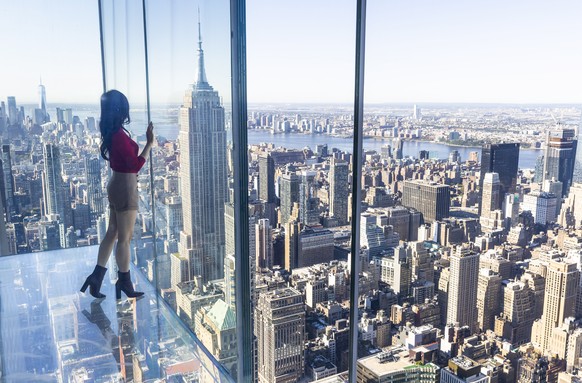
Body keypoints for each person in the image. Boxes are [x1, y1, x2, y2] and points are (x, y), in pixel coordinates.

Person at [80, 89, 154, 300]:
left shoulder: (112, 132)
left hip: (116, 184)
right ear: (119, 110)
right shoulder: (120, 136)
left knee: (112, 232)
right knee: (124, 239)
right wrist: (149, 143)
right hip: (126, 187)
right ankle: (125, 281)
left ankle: (96, 277)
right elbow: (135, 166)